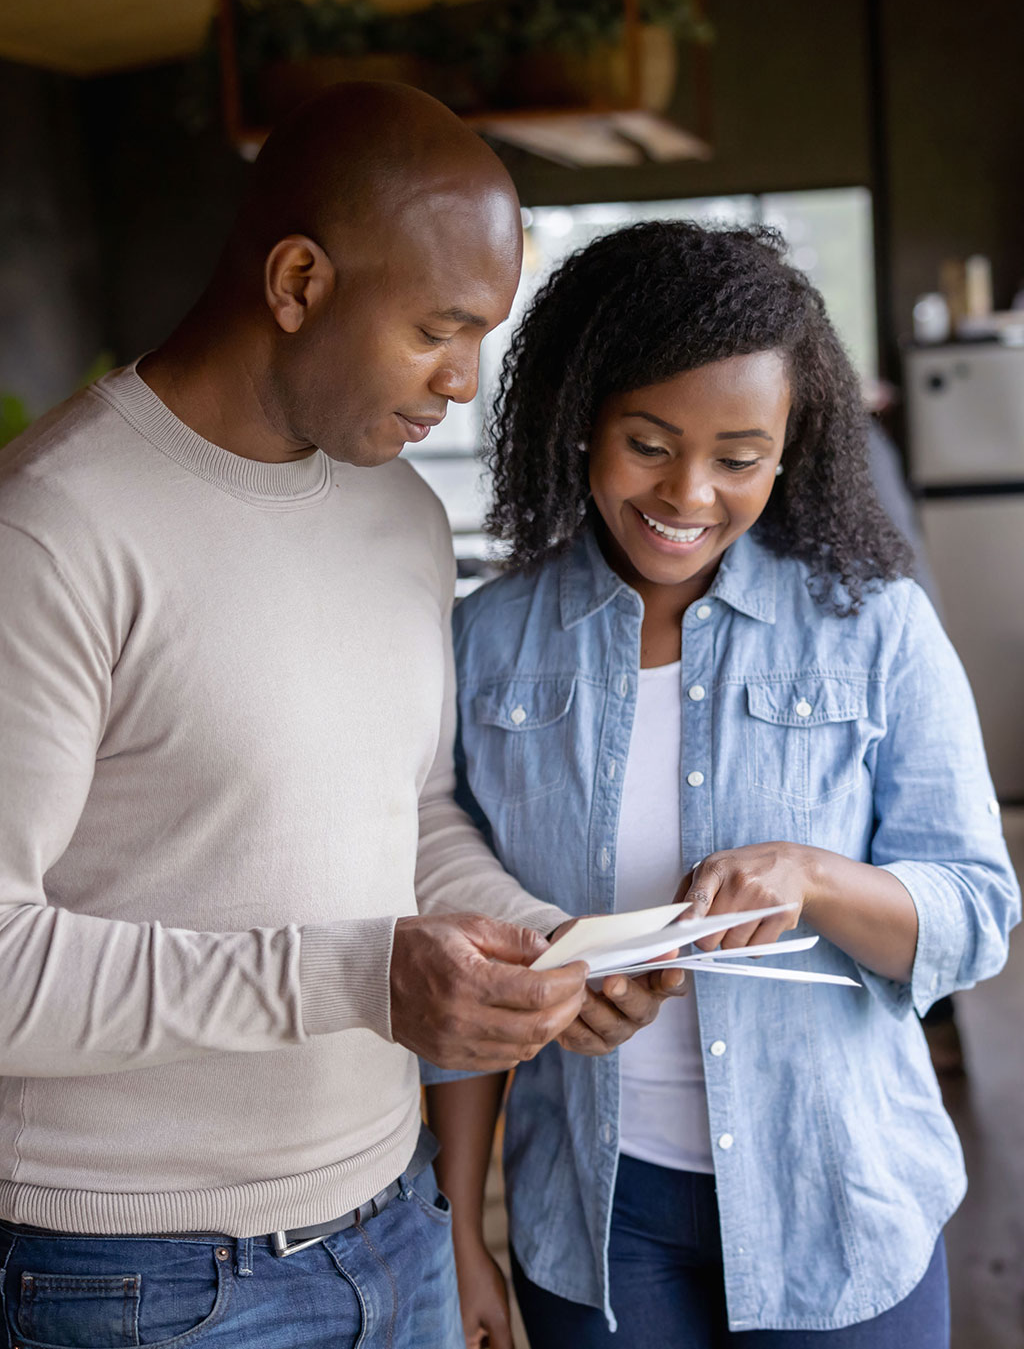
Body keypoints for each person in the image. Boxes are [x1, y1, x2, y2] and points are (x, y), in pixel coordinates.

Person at [0, 83, 670, 1349]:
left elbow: (406, 811)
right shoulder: (50, 530)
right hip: (130, 1275)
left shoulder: (401, 516)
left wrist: (541, 946)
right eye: (439, 328)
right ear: (300, 280)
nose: (462, 384)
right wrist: (360, 975)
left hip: (394, 1220)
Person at [424, 221, 1020, 1348]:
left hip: (842, 1210)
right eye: (647, 442)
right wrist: (460, 1231)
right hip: (596, 1226)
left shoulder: (873, 625)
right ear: (578, 416)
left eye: (738, 457)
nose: (688, 492)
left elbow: (977, 912)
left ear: (793, 447)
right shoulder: (487, 644)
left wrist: (815, 879)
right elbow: (461, 968)